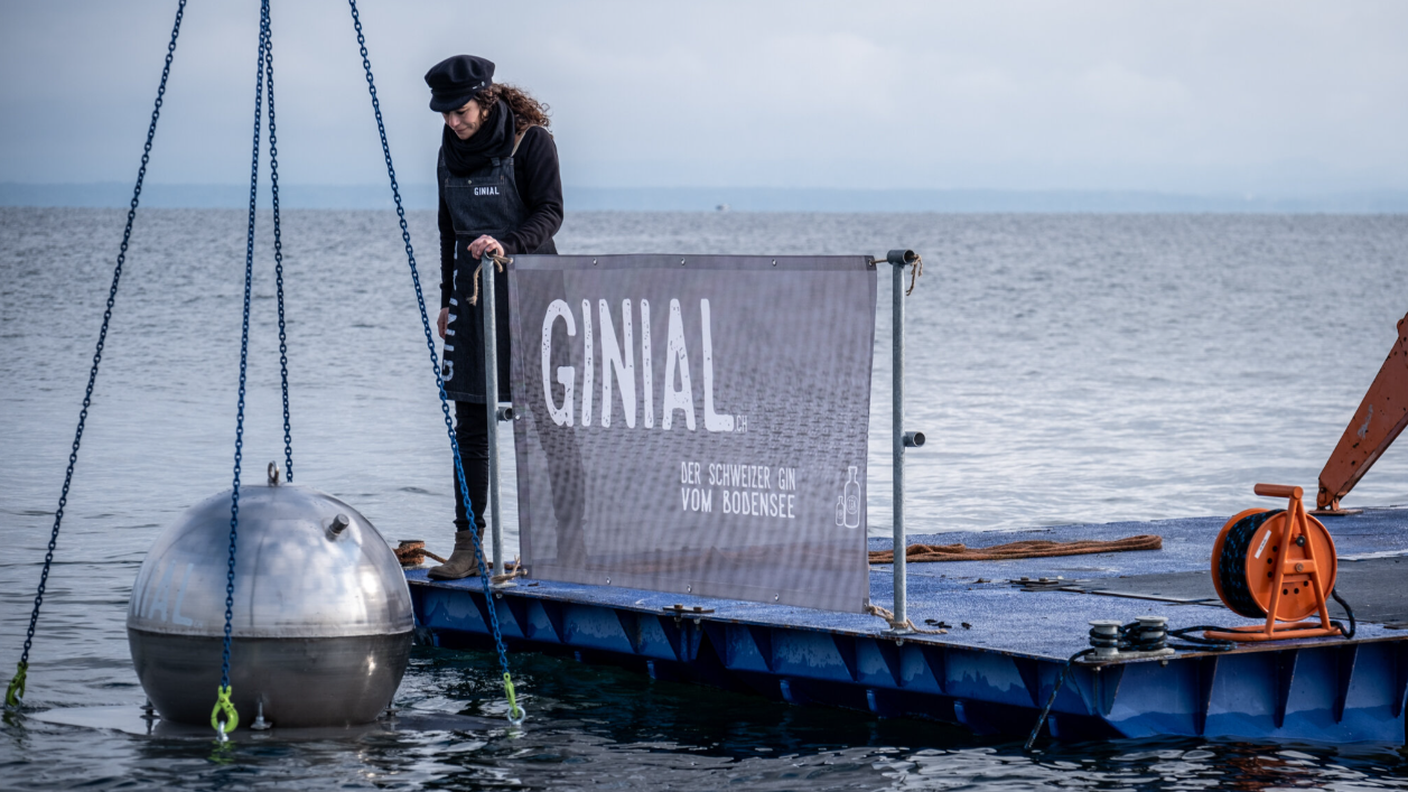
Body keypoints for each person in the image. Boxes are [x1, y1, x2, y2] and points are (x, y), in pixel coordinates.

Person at [424, 54, 563, 579]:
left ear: (484, 100)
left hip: (534, 290)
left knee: (549, 423)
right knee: (471, 424)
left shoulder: (532, 142)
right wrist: (446, 298)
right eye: (444, 115)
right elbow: (447, 231)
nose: (452, 123)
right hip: (471, 294)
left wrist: (506, 243)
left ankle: (561, 542)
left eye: (459, 112)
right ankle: (467, 545)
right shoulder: (448, 152)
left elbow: (550, 212)